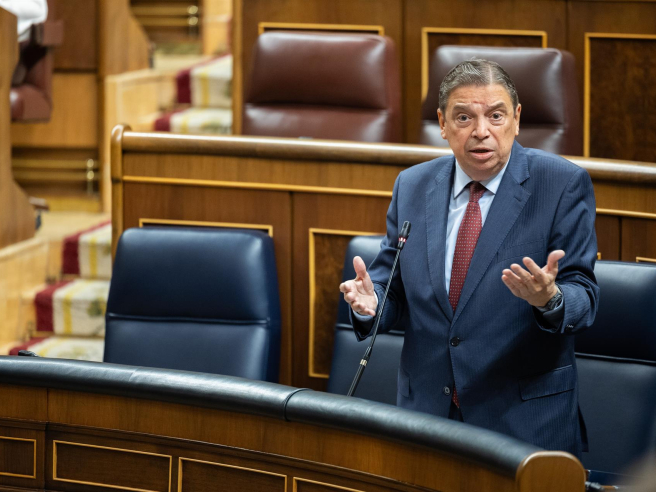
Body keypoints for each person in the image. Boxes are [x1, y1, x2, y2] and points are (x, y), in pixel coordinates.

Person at [340, 58, 599, 457]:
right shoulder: (412, 185)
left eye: (496, 116)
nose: (481, 131)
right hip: (427, 419)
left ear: (516, 119)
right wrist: (371, 303)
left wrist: (550, 299)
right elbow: (391, 286)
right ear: (442, 124)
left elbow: (584, 294)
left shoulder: (561, 184)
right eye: (464, 117)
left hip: (524, 424)